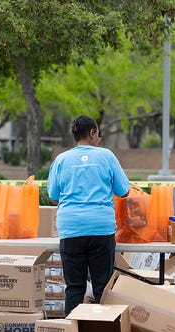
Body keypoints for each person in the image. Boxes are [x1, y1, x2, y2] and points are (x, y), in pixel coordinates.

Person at [47, 115, 131, 316]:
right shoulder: (107, 157)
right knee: (103, 286)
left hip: (71, 228)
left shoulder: (61, 160)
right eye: (98, 134)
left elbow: (53, 196)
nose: (99, 139)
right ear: (92, 133)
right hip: (100, 227)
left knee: (74, 287)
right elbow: (124, 191)